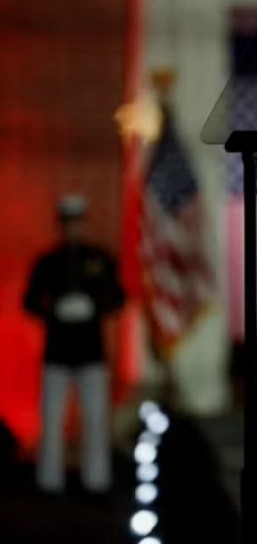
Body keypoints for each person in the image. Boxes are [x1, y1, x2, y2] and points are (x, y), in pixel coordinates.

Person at [23, 194, 125, 497]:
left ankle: (96, 481)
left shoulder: (99, 258)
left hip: (91, 352)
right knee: (52, 421)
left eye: (76, 222)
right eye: (67, 223)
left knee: (95, 420)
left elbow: (117, 297)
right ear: (61, 225)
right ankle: (49, 481)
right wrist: (54, 309)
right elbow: (29, 301)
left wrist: (94, 306)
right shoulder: (47, 262)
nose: (72, 228)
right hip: (56, 353)